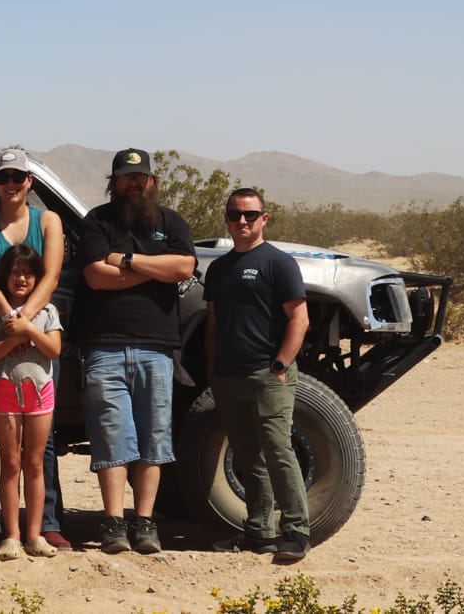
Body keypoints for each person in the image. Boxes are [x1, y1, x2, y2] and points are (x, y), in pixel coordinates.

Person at [77, 148, 196, 554]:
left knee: (153, 439)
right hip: (104, 348)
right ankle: (113, 523)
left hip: (158, 350)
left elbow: (183, 268)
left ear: (152, 181)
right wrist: (154, 270)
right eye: (126, 177)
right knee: (112, 437)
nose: (134, 183)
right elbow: (96, 276)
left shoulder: (172, 222)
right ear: (113, 182)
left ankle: (145, 523)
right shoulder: (97, 221)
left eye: (140, 177)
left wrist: (126, 261)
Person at [0, 146, 70, 553]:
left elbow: (51, 275)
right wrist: (10, 320)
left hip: (35, 333)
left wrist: (27, 322)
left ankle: (46, 524)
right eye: (3, 177)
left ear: (29, 182)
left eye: (17, 177)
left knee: (42, 443)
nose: (10, 184)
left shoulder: (49, 220)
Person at [204, 187, 312, 563]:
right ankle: (259, 532)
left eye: (250, 215)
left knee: (278, 450)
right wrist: (213, 368)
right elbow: (213, 322)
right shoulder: (219, 268)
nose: (242, 221)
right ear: (227, 219)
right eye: (235, 214)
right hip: (228, 377)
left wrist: (280, 365)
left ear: (264, 218)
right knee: (248, 457)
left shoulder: (278, 263)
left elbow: (299, 318)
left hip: (268, 374)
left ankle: (296, 531)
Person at [0, 243, 64, 561]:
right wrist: (13, 339)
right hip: (4, 389)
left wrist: (28, 330)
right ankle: (11, 535)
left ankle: (35, 534)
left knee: (35, 462)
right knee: (11, 462)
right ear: (4, 276)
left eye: (27, 273)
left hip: (40, 392)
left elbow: (54, 349)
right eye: (15, 273)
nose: (21, 279)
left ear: (37, 278)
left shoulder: (48, 312)